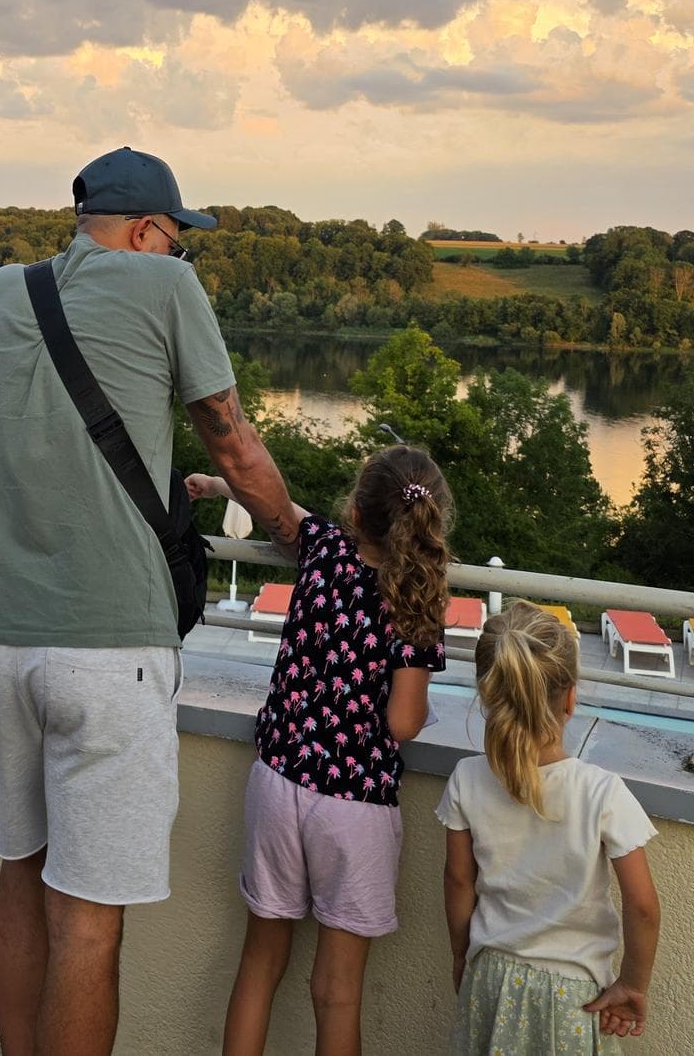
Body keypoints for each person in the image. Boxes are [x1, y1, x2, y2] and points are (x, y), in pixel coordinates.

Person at [0, 147, 300, 1056]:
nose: (180, 258)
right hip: (108, 647)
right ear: (140, 232)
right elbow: (231, 441)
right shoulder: (165, 291)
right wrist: (290, 525)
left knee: (21, 868)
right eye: (177, 241)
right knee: (87, 919)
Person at [193, 444, 452, 1056]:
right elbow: (404, 722)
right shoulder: (417, 599)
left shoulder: (324, 550)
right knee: (337, 991)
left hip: (278, 782)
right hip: (354, 805)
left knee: (259, 963)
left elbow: (278, 508)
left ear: (355, 516)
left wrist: (217, 484)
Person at [439, 601, 662, 1053]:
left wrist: (463, 956)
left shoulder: (466, 779)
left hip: (490, 980)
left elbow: (459, 880)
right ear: (571, 697)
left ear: (487, 694)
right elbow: (642, 907)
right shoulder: (601, 791)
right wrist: (633, 985)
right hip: (572, 998)